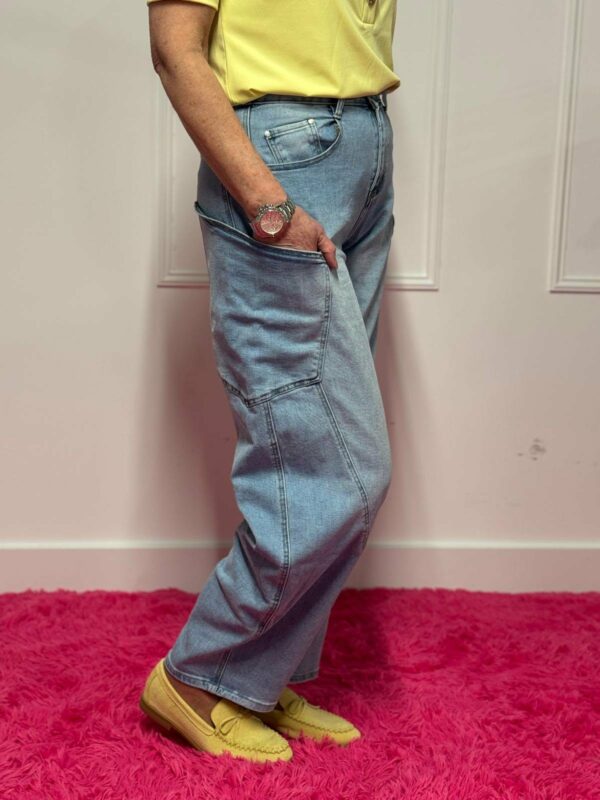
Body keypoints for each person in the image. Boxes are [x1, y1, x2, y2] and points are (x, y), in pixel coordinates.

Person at [139, 0, 400, 763]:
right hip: (283, 156)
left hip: (364, 146)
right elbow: (176, 49)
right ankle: (197, 676)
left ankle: (254, 676)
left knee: (309, 446)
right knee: (334, 469)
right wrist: (266, 200)